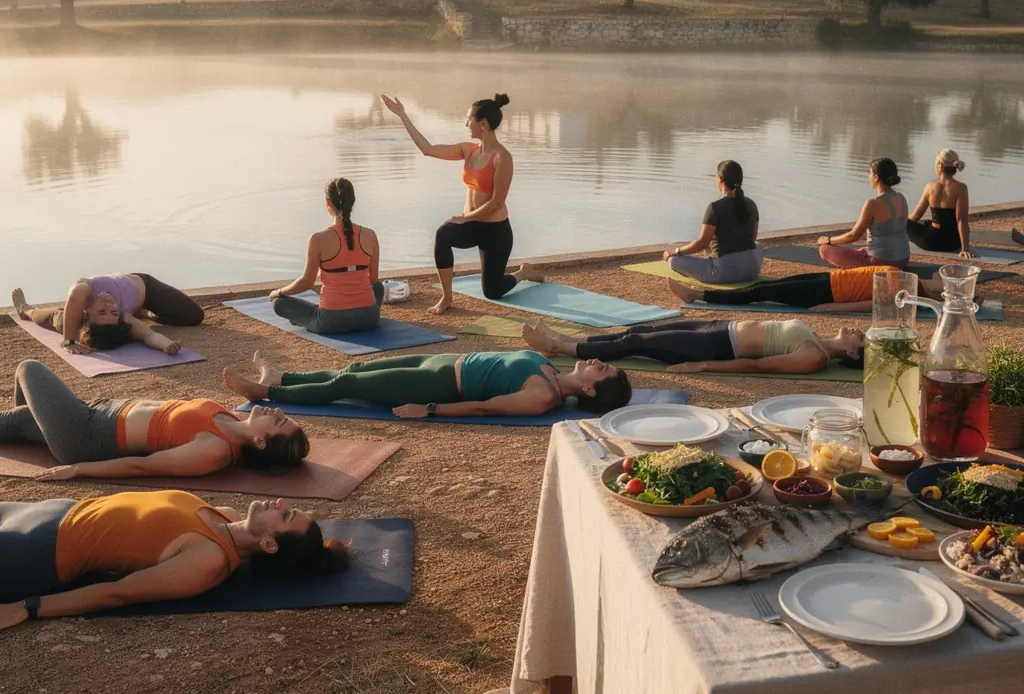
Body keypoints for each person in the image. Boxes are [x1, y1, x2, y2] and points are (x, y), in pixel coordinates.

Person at [0, 490, 347, 625]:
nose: (281, 503)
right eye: (290, 508)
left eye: (285, 516)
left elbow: (118, 593)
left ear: (270, 545)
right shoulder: (224, 515)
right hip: (51, 511)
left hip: (36, 551)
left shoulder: (208, 561)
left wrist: (29, 607)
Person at [0, 359, 310, 482]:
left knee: (28, 368)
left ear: (260, 442)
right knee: (18, 421)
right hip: (96, 412)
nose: (278, 413)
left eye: (279, 423)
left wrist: (78, 469)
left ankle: (27, 427)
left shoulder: (214, 450)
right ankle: (27, 428)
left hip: (85, 434)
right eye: (283, 416)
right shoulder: (235, 422)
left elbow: (144, 466)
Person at [380, 92, 543, 315]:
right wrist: (402, 115)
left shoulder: (502, 157)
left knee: (492, 292)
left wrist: (465, 218)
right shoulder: (468, 150)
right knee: (443, 235)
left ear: (483, 124)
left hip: (495, 231)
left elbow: (497, 202)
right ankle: (447, 297)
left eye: (469, 119)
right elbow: (428, 149)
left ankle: (523, 273)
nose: (466, 123)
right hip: (472, 225)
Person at [222, 349, 632, 419]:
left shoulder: (543, 397)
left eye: (601, 371)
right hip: (440, 361)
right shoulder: (550, 369)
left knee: (346, 384)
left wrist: (430, 409)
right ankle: (282, 377)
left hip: (436, 384)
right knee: (356, 369)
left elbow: (484, 407)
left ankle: (265, 393)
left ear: (590, 390)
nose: (597, 363)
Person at [523, 318, 863, 375]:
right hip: (719, 327)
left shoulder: (813, 356)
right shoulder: (816, 337)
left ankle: (557, 348)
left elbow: (757, 365)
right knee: (642, 331)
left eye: (859, 338)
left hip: (713, 347)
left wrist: (702, 365)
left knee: (635, 343)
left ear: (852, 353)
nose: (857, 331)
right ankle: (567, 341)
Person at [269, 178, 384, 335]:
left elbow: (306, 283)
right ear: (353, 201)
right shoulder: (370, 235)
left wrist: (279, 292)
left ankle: (304, 318)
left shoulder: (318, 239)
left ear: (328, 203)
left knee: (279, 304)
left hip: (331, 321)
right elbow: (373, 281)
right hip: (369, 318)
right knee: (379, 287)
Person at [12, 272, 203, 355]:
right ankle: (146, 313)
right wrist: (167, 345)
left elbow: (72, 297)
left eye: (102, 310)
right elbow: (149, 335)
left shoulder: (84, 293)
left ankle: (24, 309)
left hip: (143, 287)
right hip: (147, 293)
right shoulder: (124, 319)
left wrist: (68, 341)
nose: (110, 304)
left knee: (56, 319)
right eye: (112, 311)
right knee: (195, 317)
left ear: (86, 314)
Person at [666, 265, 945, 313]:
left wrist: (835, 308)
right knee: (765, 286)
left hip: (826, 293)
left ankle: (698, 294)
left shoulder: (905, 286)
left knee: (758, 292)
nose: (938, 274)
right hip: (828, 279)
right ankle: (699, 293)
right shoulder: (906, 275)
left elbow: (874, 304)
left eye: (940, 278)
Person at [663, 160, 762, 284]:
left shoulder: (715, 207)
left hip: (724, 272)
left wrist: (677, 251)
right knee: (757, 245)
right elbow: (752, 239)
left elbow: (702, 243)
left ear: (720, 179)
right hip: (752, 270)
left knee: (673, 260)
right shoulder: (752, 204)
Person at [817, 157, 909, 269]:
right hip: (903, 260)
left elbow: (853, 236)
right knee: (863, 249)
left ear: (876, 177)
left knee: (825, 249)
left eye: (870, 173)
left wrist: (828, 240)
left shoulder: (872, 204)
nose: (869, 176)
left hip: (879, 263)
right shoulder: (901, 198)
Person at [907, 149, 974, 258]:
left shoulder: (930, 187)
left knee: (906, 223)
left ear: (940, 167)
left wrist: (903, 224)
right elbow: (961, 220)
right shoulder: (961, 188)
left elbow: (915, 216)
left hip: (930, 242)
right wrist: (965, 248)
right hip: (952, 243)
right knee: (927, 223)